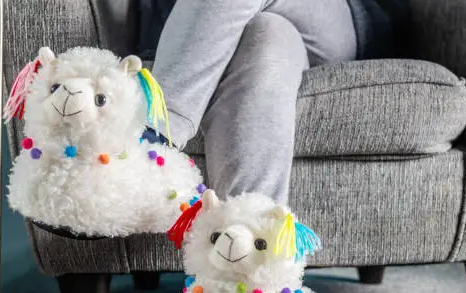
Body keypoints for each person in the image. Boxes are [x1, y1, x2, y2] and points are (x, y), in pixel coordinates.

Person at [145, 0, 410, 204]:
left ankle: (150, 139)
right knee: (269, 37)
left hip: (337, 20)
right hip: (203, 21)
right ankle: (250, 252)